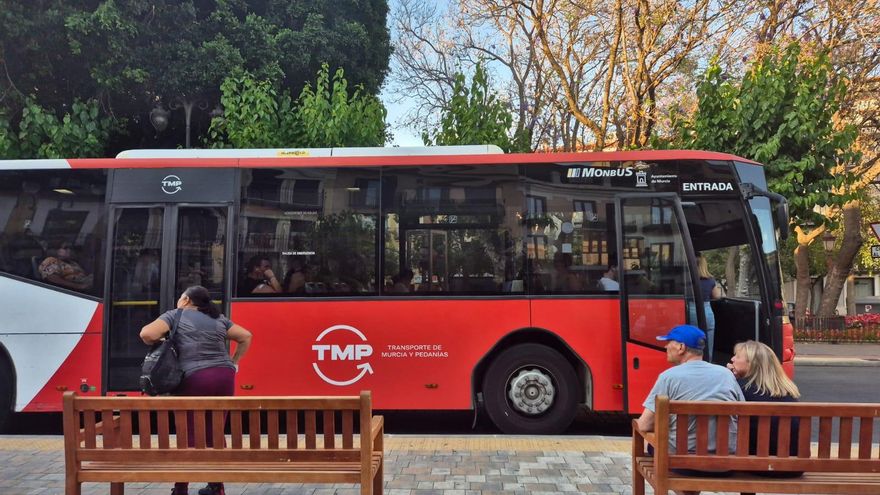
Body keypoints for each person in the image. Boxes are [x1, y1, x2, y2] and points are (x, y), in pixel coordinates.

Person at [140, 285, 253, 495]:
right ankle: (217, 486)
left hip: (194, 378)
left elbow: (146, 334)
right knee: (216, 431)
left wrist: (164, 339)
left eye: (180, 297)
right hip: (224, 377)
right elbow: (245, 336)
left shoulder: (175, 315)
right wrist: (234, 362)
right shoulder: (219, 319)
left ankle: (181, 488)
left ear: (185, 300)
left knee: (188, 433)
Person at [636, 325, 743, 494]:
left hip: (682, 463)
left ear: (681, 347)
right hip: (726, 462)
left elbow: (643, 425)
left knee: (659, 447)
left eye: (669, 342)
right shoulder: (726, 374)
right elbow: (741, 415)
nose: (665, 346)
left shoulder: (669, 377)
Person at [727, 340, 803, 476]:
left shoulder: (739, 389)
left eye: (737, 357)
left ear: (751, 364)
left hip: (757, 465)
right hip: (794, 467)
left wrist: (730, 378)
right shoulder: (788, 391)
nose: (732, 359)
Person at [692, 253, 722, 360]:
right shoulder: (710, 280)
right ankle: (706, 363)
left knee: (690, 341)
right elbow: (717, 296)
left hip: (689, 310)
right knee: (707, 342)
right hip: (706, 310)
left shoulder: (687, 280)